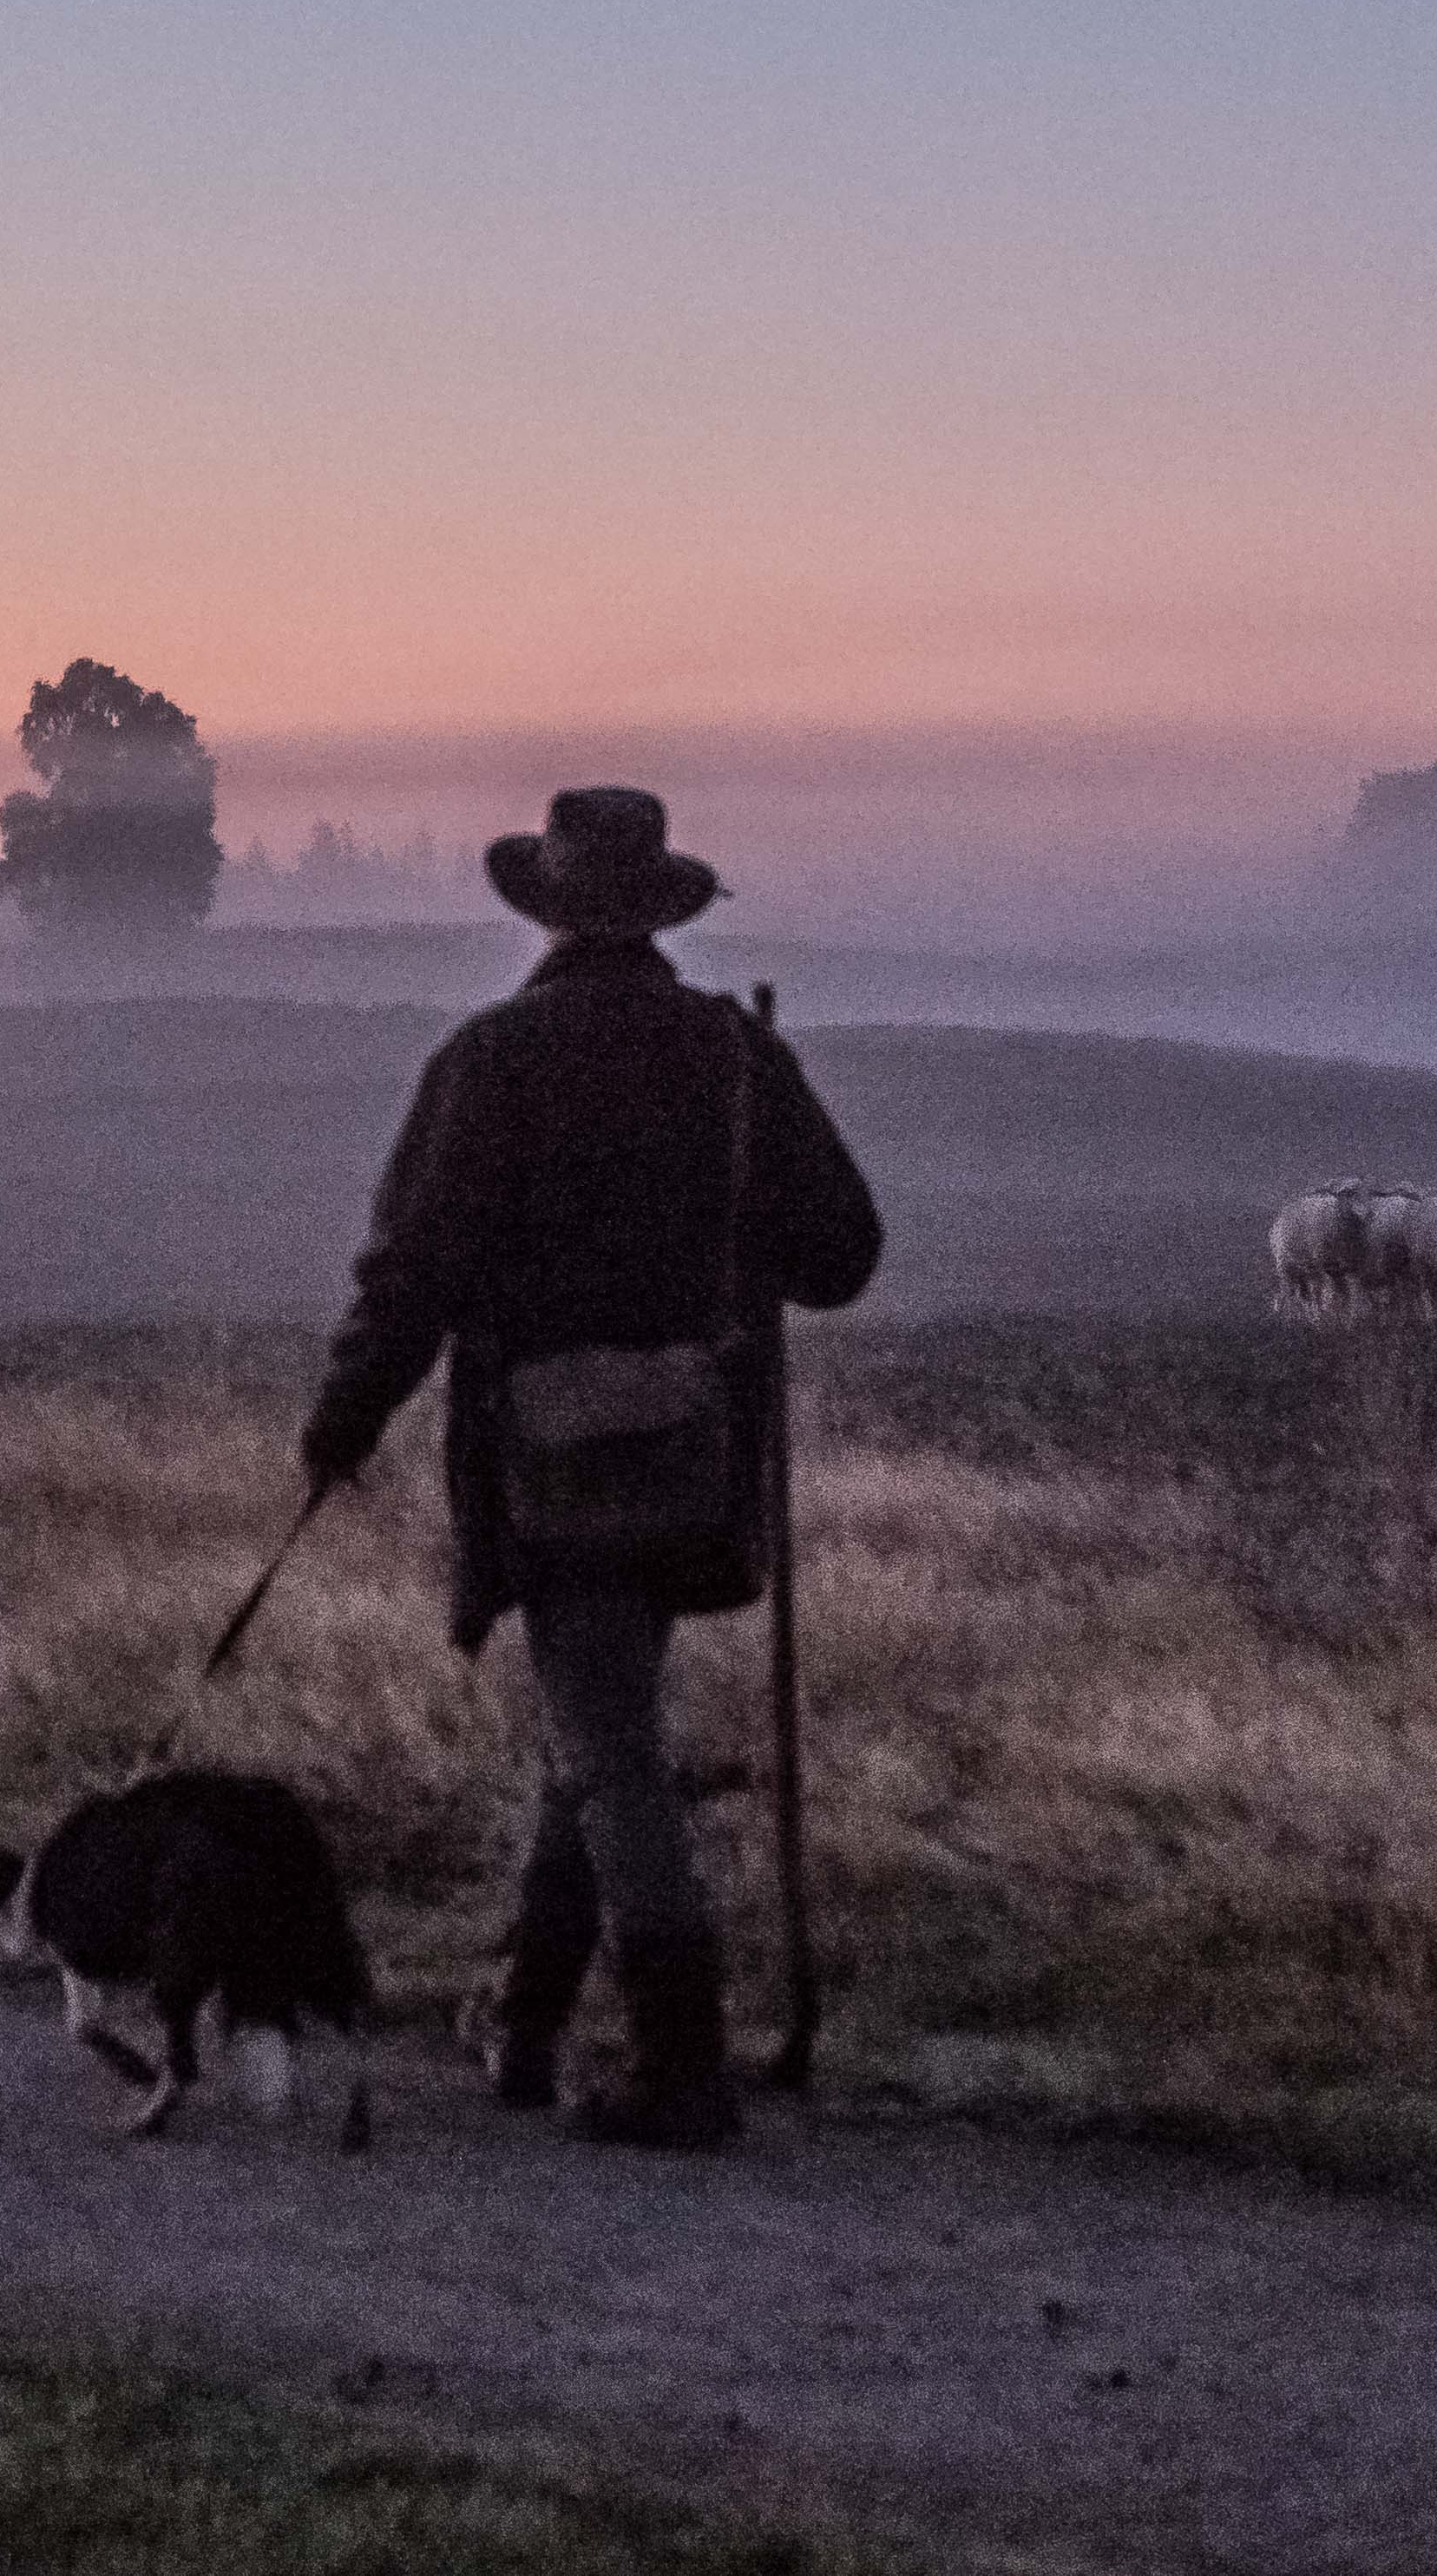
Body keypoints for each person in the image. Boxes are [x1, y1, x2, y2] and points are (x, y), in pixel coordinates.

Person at [298, 788, 880, 2148]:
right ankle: (525, 2022)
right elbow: (841, 1256)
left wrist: (343, 1420)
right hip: (695, 1454)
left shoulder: (489, 1059)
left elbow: (410, 1272)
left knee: (604, 1737)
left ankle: (682, 2065)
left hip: (544, 1460)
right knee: (597, 1716)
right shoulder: (734, 1056)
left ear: (548, 911)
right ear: (656, 911)